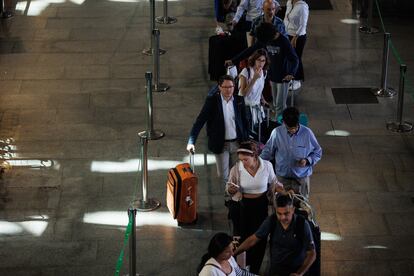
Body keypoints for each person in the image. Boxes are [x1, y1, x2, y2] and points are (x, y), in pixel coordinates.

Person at [225, 141, 285, 274]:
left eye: (246, 159)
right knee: (242, 239)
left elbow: (274, 182)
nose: (243, 162)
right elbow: (229, 189)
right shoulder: (237, 168)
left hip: (261, 206)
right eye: (241, 159)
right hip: (243, 207)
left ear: (255, 156)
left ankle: (255, 270)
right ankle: (242, 269)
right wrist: (231, 189)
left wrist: (282, 190)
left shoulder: (267, 166)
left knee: (260, 238)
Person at [227, 22, 299, 119]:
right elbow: (250, 50)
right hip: (272, 75)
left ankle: (279, 129)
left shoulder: (284, 42)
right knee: (276, 103)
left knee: (279, 106)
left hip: (283, 77)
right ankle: (283, 122)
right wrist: (233, 60)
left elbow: (294, 59)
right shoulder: (265, 39)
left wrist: (291, 73)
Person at [187, 75, 249, 185]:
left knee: (238, 173)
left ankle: (235, 198)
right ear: (219, 87)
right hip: (221, 144)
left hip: (237, 143)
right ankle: (229, 196)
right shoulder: (212, 102)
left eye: (231, 86)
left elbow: (245, 121)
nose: (228, 90)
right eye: (225, 87)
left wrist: (247, 140)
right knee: (223, 175)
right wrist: (191, 142)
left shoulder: (239, 100)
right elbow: (200, 121)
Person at [233, 194, 316, 276]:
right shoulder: (272, 220)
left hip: (296, 270)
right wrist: (233, 254)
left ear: (293, 210)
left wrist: (299, 273)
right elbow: (253, 240)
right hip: (276, 271)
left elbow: (312, 253)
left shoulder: (302, 224)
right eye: (279, 213)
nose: (282, 217)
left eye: (286, 213)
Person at [260, 107, 322, 199]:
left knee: (301, 207)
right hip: (282, 179)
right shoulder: (277, 133)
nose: (293, 130)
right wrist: (257, 162)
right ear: (283, 122)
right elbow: (267, 152)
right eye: (289, 128)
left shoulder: (307, 133)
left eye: (295, 127)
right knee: (281, 206)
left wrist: (307, 160)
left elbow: (317, 152)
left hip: (301, 179)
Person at [238, 49, 270, 134]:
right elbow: (243, 94)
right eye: (258, 60)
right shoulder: (246, 72)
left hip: (257, 107)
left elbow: (259, 88)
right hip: (246, 108)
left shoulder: (264, 72)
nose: (261, 63)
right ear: (254, 60)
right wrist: (254, 79)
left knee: (258, 133)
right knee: (249, 134)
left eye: (263, 60)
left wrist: (262, 99)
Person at [284, 0, 309, 90]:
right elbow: (286, 18)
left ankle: (297, 80)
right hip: (287, 34)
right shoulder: (289, 2)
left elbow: (303, 25)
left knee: (296, 57)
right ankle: (291, 77)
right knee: (289, 57)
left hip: (298, 37)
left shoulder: (303, 7)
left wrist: (295, 38)